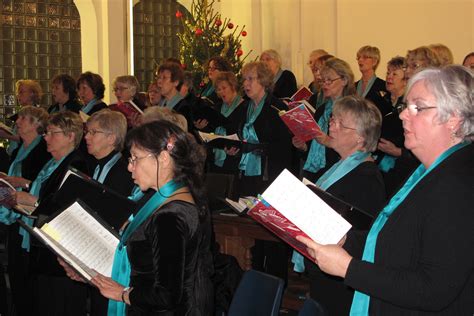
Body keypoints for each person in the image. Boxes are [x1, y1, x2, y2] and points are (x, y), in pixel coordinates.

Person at [297, 65, 474, 315]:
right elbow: (395, 244)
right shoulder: (427, 172)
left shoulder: (458, 183)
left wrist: (348, 268)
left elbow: (434, 288)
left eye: (418, 107)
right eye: (405, 107)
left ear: (453, 118)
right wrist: (345, 239)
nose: (403, 116)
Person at [63, 121, 215, 315]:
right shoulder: (172, 197)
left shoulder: (170, 216)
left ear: (164, 158)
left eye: (135, 158)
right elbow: (146, 266)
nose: (129, 167)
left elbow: (166, 296)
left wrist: (123, 294)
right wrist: (88, 272)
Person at [293, 95, 386, 315]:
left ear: (360, 138)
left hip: (341, 277)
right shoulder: (341, 166)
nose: (331, 125)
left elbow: (364, 236)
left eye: (339, 123)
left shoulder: (367, 177)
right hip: (323, 268)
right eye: (332, 119)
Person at [13, 111, 90, 315]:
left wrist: (34, 201)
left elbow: (65, 206)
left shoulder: (77, 164)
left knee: (59, 304)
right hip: (43, 247)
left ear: (70, 136)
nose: (45, 137)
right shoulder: (52, 163)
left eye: (52, 133)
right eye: (46, 133)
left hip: (60, 255)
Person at [0, 106, 51, 316]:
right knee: (15, 271)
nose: (17, 122)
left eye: (23, 118)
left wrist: (17, 182)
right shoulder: (21, 147)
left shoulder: (41, 151)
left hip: (25, 216)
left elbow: (39, 185)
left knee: (24, 275)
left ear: (36, 125)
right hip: (12, 212)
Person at [294, 58, 355, 182]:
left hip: (338, 172)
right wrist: (303, 147)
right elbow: (313, 145)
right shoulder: (322, 109)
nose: (324, 84)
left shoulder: (352, 109)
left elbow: (355, 147)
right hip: (314, 171)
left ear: (344, 80)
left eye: (329, 80)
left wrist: (328, 141)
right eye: (322, 81)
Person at [376, 56, 419, 196]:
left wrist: (397, 152)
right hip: (377, 164)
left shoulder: (411, 107)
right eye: (388, 73)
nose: (389, 77)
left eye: (394, 74)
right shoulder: (381, 101)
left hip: (399, 169)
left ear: (406, 80)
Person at [156, 62, 194, 132]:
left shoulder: (184, 108)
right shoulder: (162, 103)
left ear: (176, 82)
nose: (159, 82)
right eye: (158, 77)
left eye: (164, 78)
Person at [355, 46, 388, 115]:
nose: (360, 60)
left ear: (374, 62)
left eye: (365, 57)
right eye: (358, 57)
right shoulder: (353, 86)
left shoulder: (383, 86)